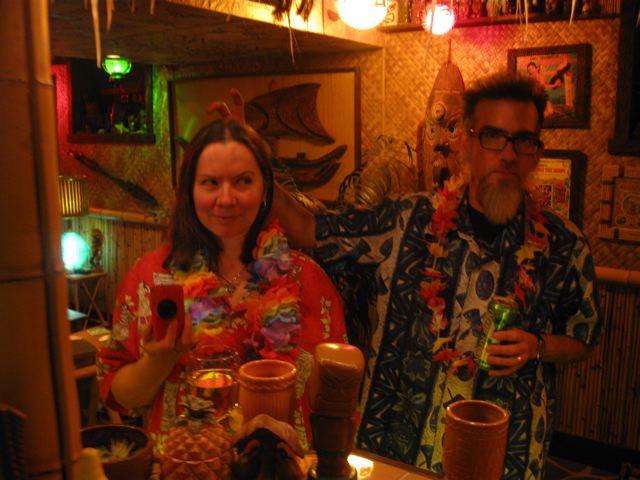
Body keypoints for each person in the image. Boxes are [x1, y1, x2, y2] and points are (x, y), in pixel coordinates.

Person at [268, 72, 601, 479]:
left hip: (506, 451)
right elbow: (306, 228)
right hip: (399, 444)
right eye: (493, 136)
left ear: (536, 153)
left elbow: (584, 336)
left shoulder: (565, 244)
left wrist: (539, 346)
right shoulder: (407, 220)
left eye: (523, 140)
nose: (508, 154)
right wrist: (251, 160)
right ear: (467, 142)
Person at [97, 119, 346, 452]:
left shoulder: (308, 279)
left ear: (265, 191)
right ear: (190, 192)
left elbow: (334, 400)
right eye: (211, 182)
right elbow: (122, 397)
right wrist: (162, 359)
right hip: (186, 466)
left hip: (279, 467)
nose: (226, 199)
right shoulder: (152, 276)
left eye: (243, 181)